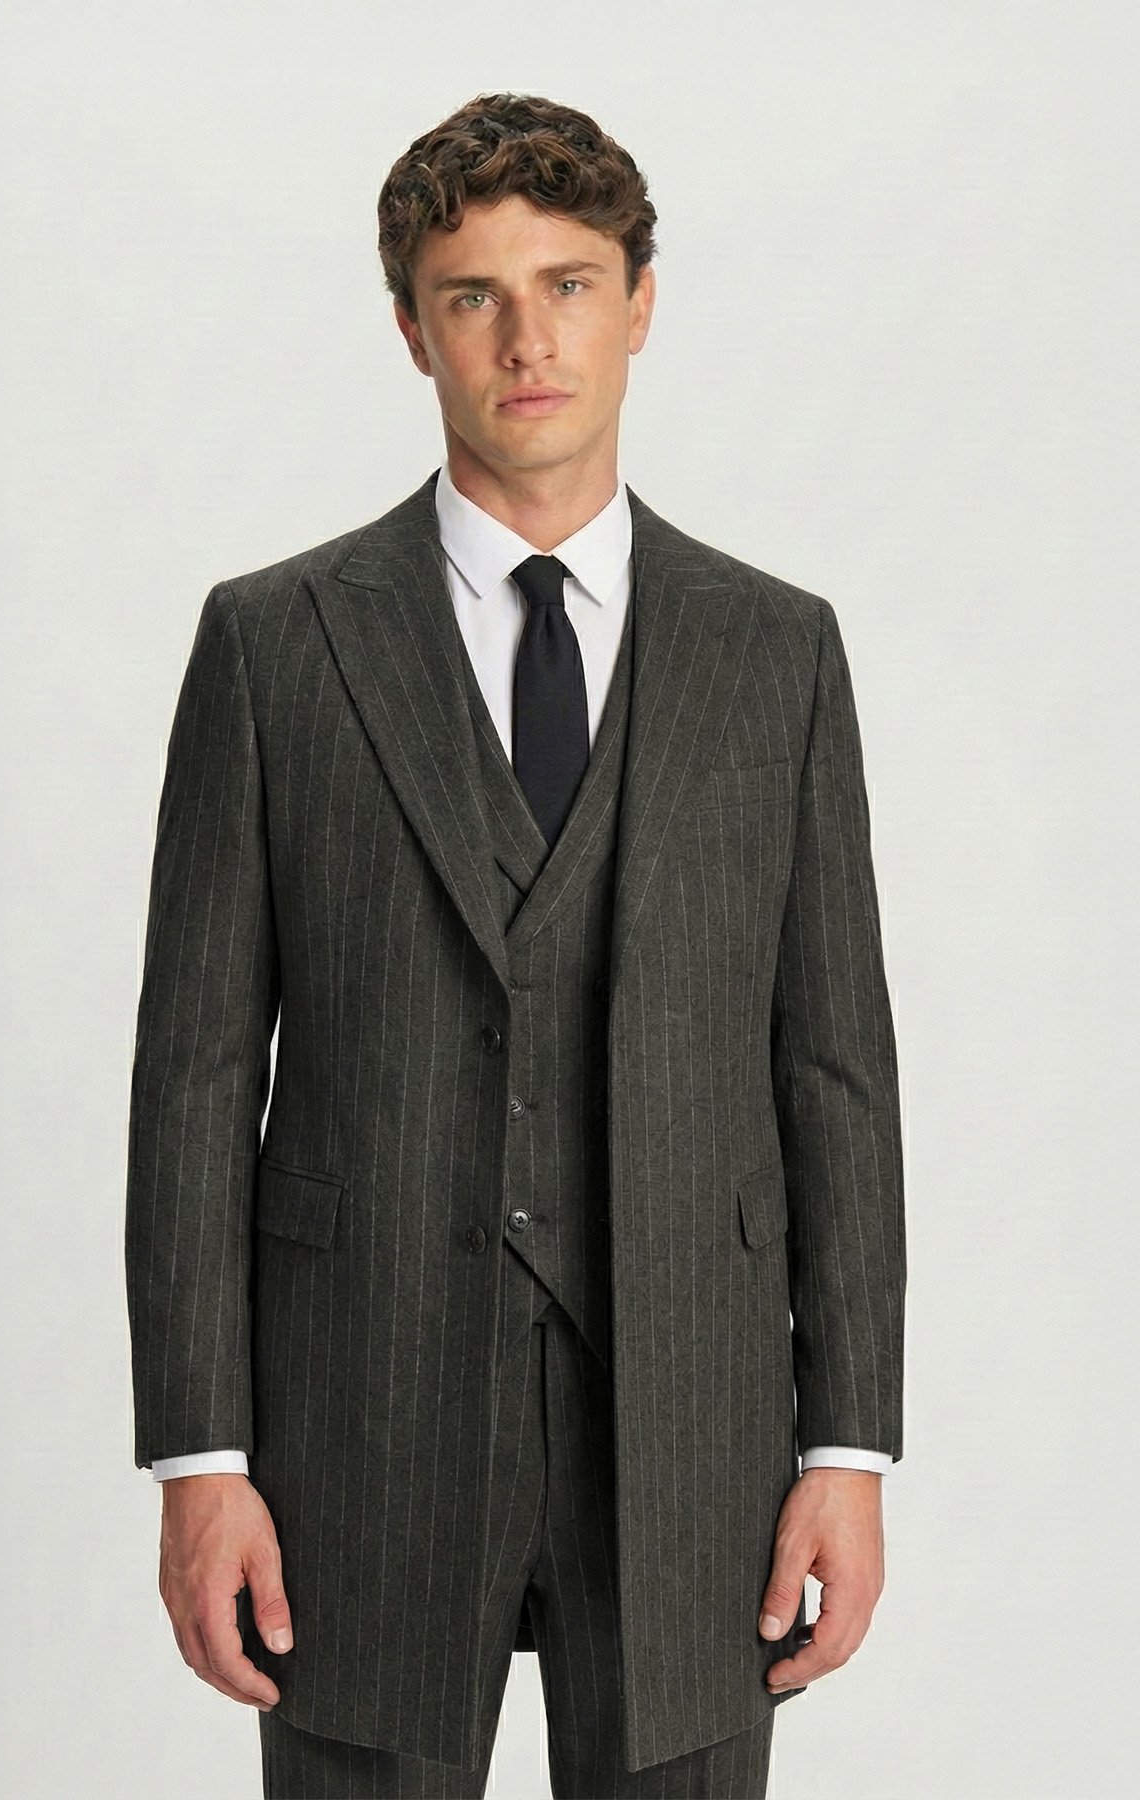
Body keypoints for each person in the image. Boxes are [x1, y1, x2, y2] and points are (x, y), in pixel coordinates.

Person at [125, 90, 906, 1800]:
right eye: (472, 295)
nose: (527, 339)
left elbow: (835, 1068)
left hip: (695, 1426)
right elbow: (193, 1074)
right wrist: (200, 1455)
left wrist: (848, 1440)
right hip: (358, 1421)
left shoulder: (776, 651)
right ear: (413, 329)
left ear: (641, 304)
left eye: (569, 285)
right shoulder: (274, 645)